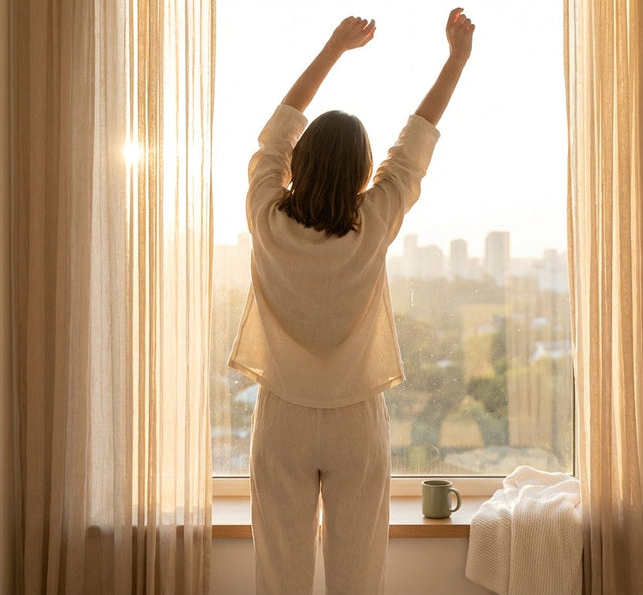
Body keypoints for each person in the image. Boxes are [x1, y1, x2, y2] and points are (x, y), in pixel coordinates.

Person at [228, 8, 475, 594]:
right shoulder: (374, 219)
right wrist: (456, 60)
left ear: (300, 163)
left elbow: (279, 130)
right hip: (355, 419)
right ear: (364, 169)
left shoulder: (266, 214)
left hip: (283, 413)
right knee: (358, 576)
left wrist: (334, 49)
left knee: (278, 576)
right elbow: (415, 141)